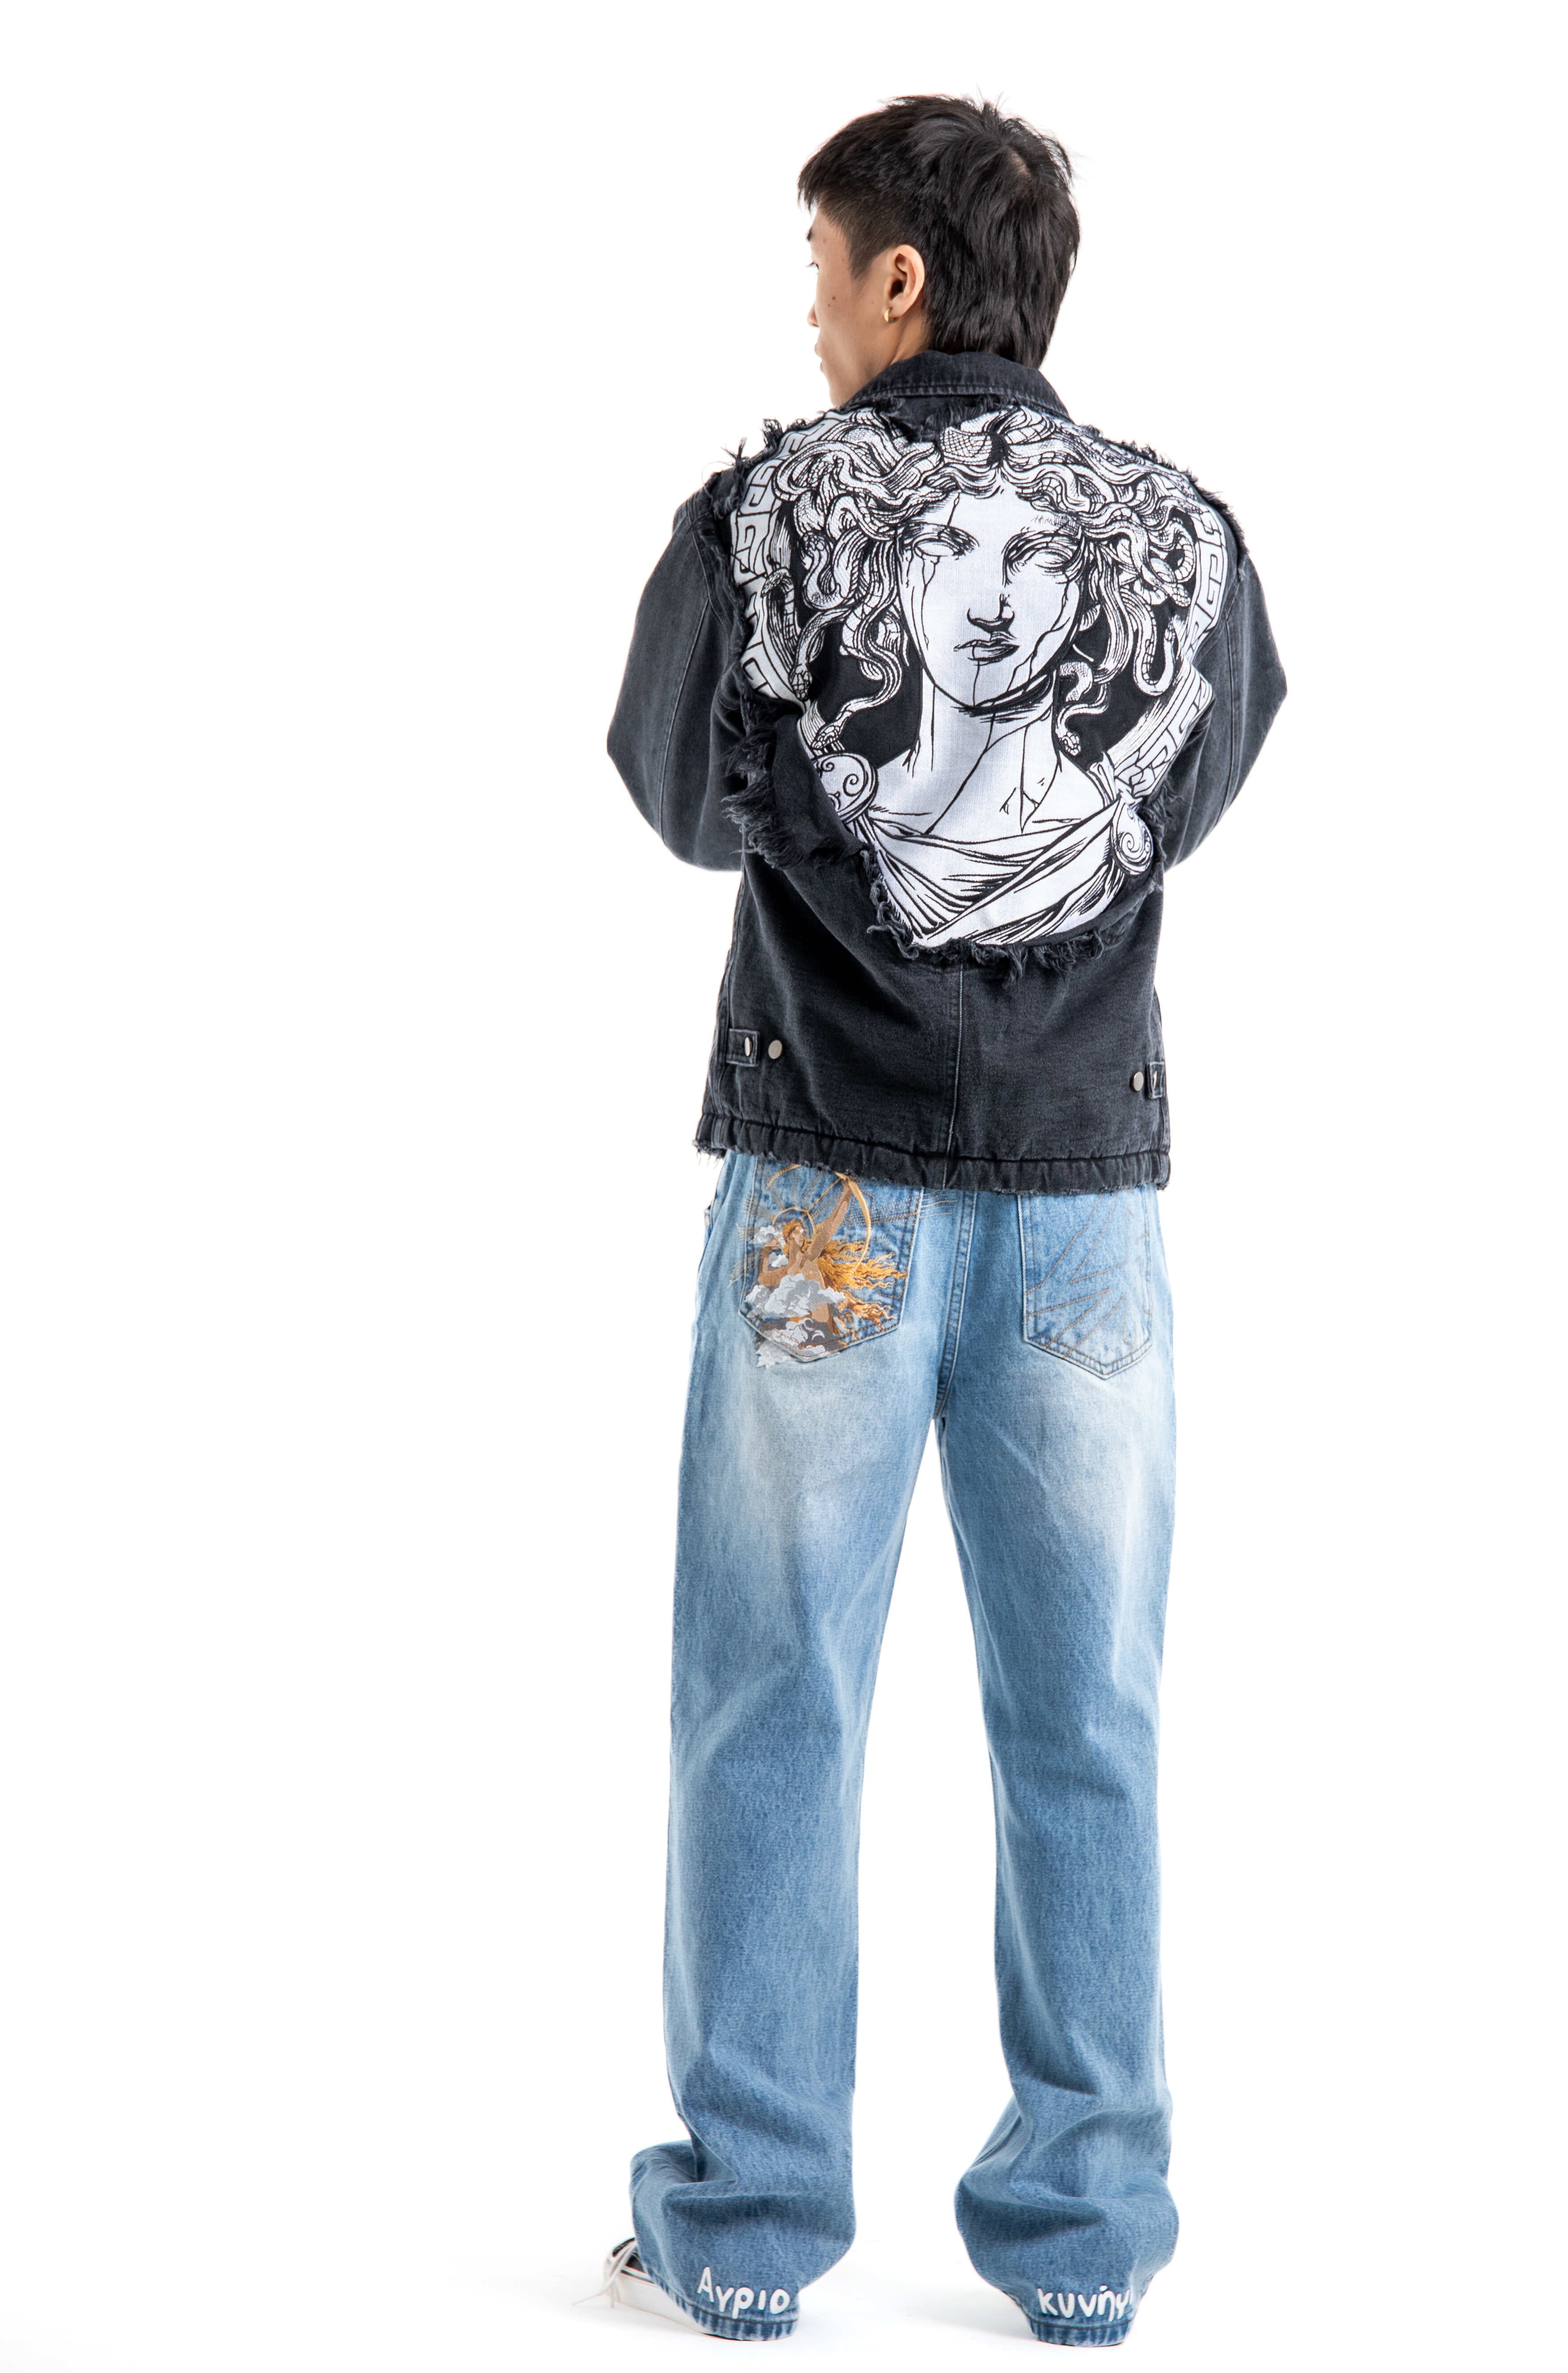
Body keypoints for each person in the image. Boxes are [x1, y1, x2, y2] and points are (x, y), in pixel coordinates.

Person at [599, 95, 1286, 2347]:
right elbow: (1190, 786)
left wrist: (835, 824)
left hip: (831, 1175)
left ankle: (749, 2221)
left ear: (902, 278)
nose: (808, 313)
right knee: (1088, 1711)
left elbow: (671, 784)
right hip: (1086, 1202)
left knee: (770, 1695)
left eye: (821, 266)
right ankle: (1084, 2246)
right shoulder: (1182, 534)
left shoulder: (771, 511)